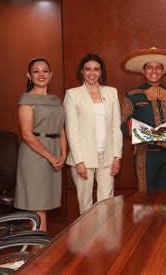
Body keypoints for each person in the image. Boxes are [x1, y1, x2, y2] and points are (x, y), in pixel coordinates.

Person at [64, 54, 123, 214]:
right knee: (86, 205)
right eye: (88, 69)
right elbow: (72, 130)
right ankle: (88, 239)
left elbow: (116, 127)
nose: (92, 73)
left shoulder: (111, 92)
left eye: (96, 69)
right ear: (82, 72)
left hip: (108, 156)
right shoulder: (72, 94)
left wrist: (117, 156)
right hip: (83, 158)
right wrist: (79, 161)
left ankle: (105, 239)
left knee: (107, 204)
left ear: (101, 72)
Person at [121, 48, 166, 191]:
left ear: (163, 71)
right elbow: (125, 125)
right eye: (149, 67)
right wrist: (154, 138)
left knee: (165, 199)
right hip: (145, 154)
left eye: (158, 67)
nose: (154, 70)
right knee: (145, 198)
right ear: (143, 71)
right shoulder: (132, 95)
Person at [14, 58, 66, 232]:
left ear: (51, 75)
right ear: (29, 76)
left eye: (45, 71)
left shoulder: (56, 99)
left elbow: (61, 129)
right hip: (35, 155)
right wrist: (51, 156)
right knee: (38, 205)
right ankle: (40, 251)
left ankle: (39, 247)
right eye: (36, 71)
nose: (41, 74)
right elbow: (27, 135)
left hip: (54, 151)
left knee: (45, 203)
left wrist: (63, 154)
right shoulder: (26, 100)